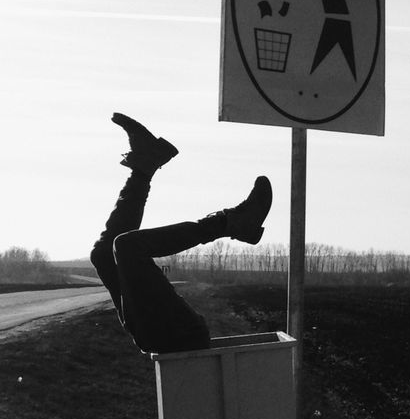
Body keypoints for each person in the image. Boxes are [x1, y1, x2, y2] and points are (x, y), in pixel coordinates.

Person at [90, 113, 273, 354]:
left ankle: (144, 167)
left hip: (160, 334)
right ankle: (230, 223)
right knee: (127, 247)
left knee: (103, 254)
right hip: (177, 335)